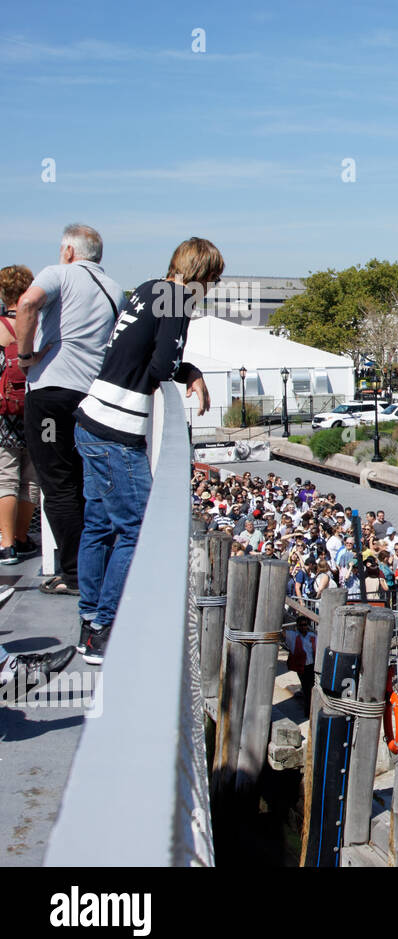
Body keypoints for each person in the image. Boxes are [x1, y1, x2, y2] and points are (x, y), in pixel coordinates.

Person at [72, 237, 218, 663]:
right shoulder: (177, 299)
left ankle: (88, 620)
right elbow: (162, 367)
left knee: (98, 526)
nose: (211, 288)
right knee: (137, 530)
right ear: (200, 274)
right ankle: (105, 627)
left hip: (91, 419)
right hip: (117, 431)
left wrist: (183, 368)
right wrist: (190, 371)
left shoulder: (146, 289)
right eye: (213, 278)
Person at [13, 225, 125, 598]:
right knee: (83, 482)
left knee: (56, 483)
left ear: (68, 250)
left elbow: (27, 304)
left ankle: (74, 574)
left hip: (50, 394)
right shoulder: (115, 289)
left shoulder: (58, 273)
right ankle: (92, 566)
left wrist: (25, 356)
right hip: (90, 397)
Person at [0, 266, 40, 565]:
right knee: (30, 479)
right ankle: (24, 537)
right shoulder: (38, 325)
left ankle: (6, 543)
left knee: (6, 478)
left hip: (4, 413)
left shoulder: (0, 327)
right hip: (36, 408)